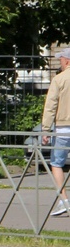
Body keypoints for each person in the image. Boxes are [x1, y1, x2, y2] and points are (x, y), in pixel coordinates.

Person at [42, 47, 70, 217]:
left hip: (63, 128)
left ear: (67, 61)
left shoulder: (59, 79)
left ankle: (64, 200)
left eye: (61, 59)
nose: (59, 61)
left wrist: (45, 129)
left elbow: (50, 106)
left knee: (57, 163)